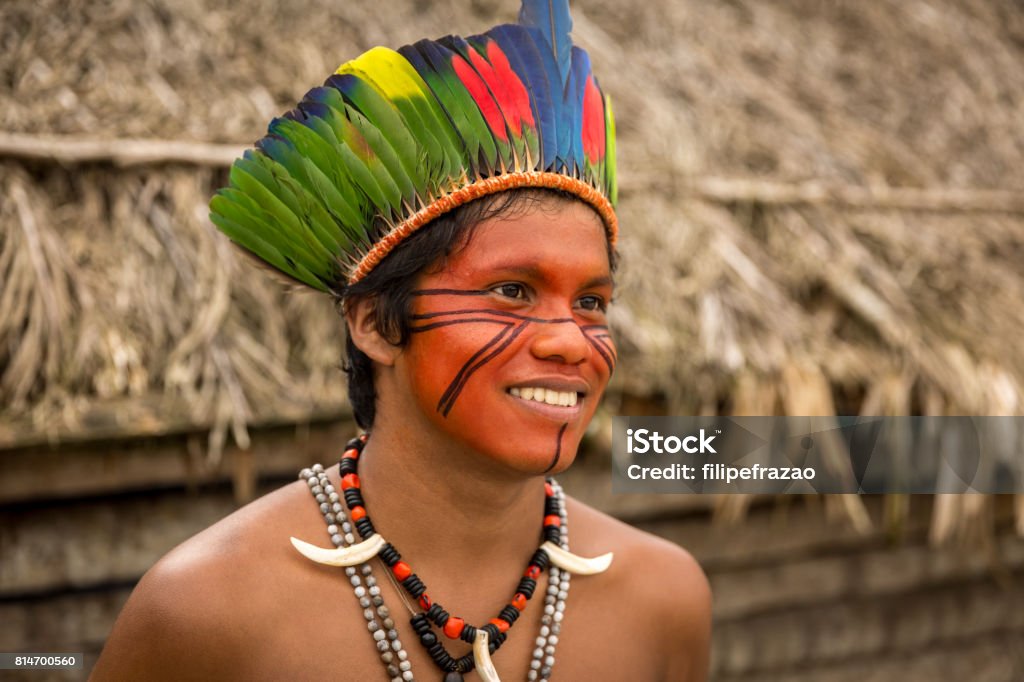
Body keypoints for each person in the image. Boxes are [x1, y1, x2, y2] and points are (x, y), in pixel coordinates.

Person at [92, 2, 711, 680]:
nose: (570, 341)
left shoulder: (663, 601)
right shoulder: (205, 612)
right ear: (377, 324)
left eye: (591, 302)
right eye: (511, 291)